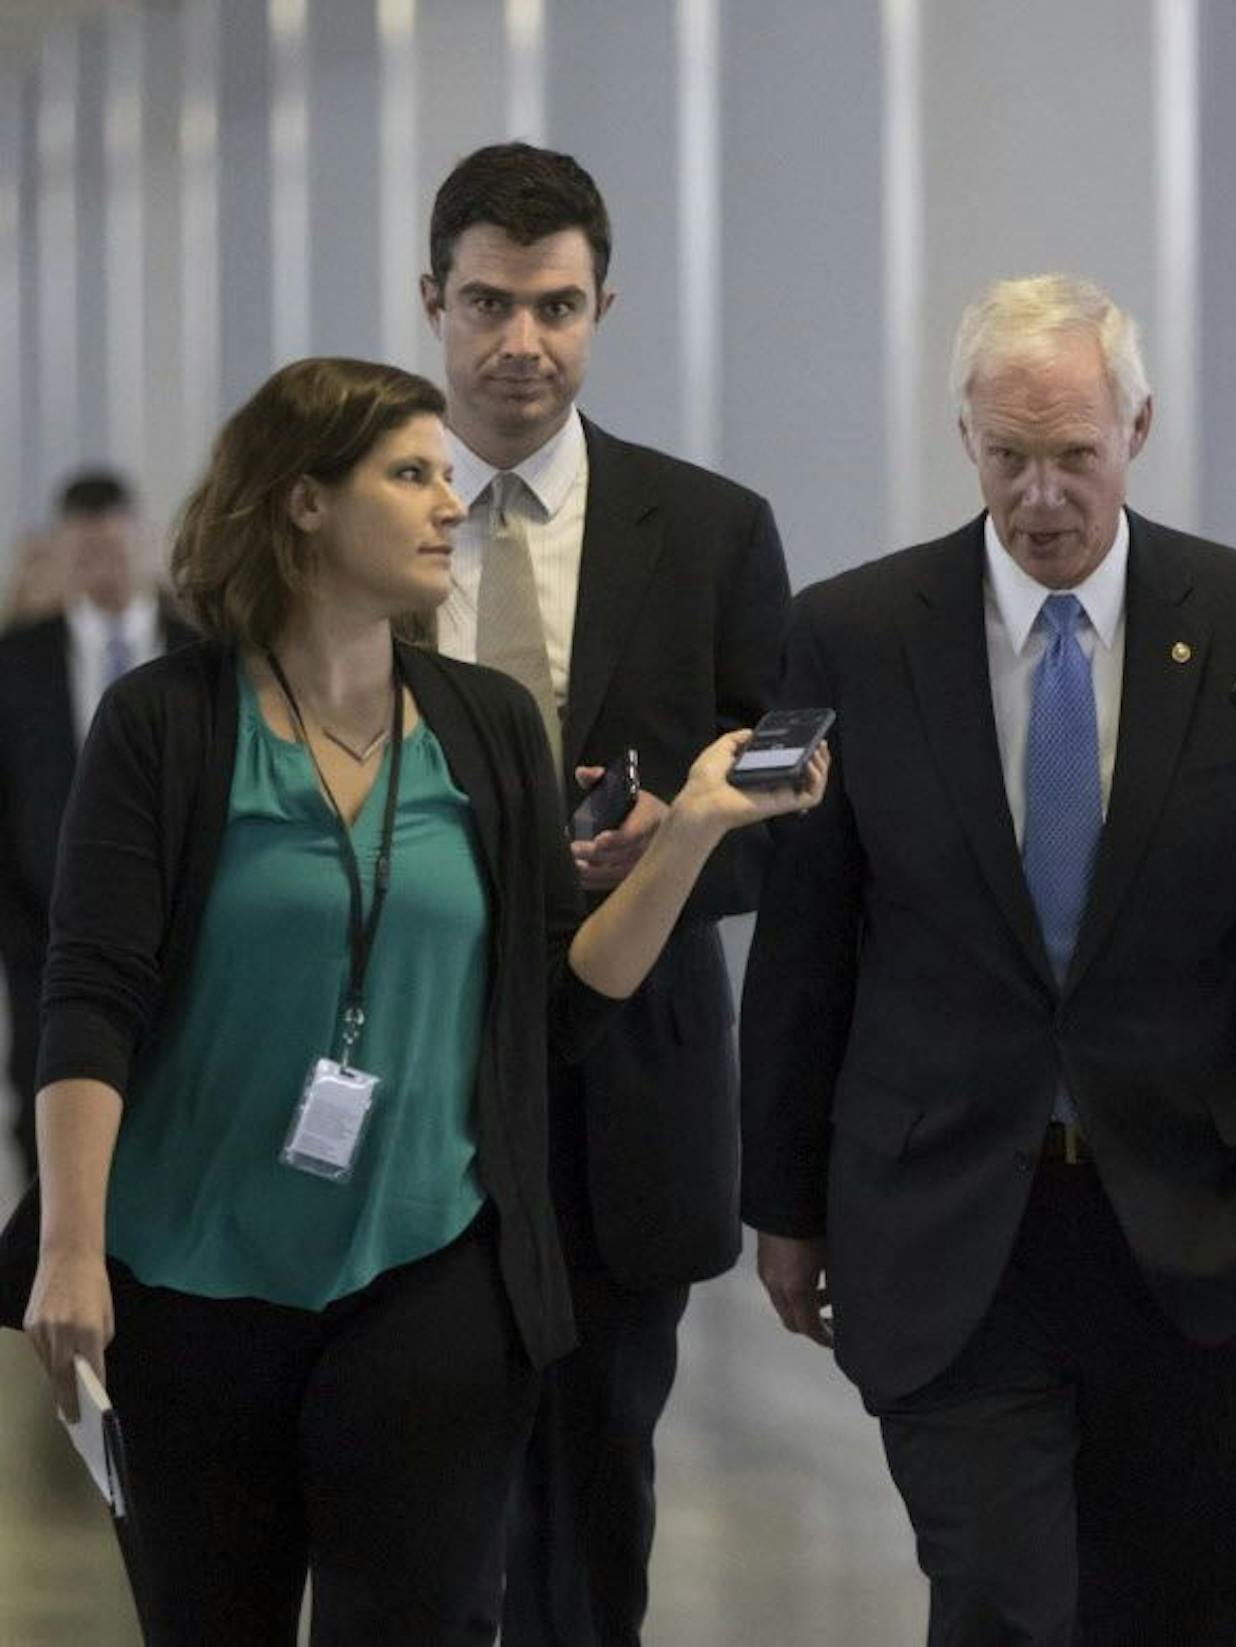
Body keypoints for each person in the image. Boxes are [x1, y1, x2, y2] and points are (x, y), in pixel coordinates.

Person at [0, 358, 825, 1647]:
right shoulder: (165, 724)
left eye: (447, 474)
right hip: (191, 1286)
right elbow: (90, 991)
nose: (452, 504)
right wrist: (69, 1249)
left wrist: (691, 838)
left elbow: (560, 1003)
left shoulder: (484, 726)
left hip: (429, 1270)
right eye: (413, 474)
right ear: (304, 504)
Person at [741, 273, 1236, 1646]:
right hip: (952, 1217)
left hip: (1202, 1223)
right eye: (1009, 455)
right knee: (1009, 1604)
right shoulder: (854, 632)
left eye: (1074, 455)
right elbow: (806, 945)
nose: (1041, 496)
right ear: (961, 436)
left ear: (1136, 428)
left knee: (1164, 1615)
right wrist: (784, 1200)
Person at [416, 142, 793, 1646]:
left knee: (593, 1501)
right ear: (432, 300)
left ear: (603, 305)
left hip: (626, 1097)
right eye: (491, 304)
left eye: (558, 306)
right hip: (407, 1081)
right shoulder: (367, 519)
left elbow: (797, 816)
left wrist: (684, 840)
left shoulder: (706, 533)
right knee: (419, 1491)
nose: (524, 343)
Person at [0, 471, 193, 1181]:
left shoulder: (198, 649)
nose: (102, 566)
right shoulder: (17, 660)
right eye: (85, 552)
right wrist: (20, 934)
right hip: (46, 939)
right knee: (49, 1116)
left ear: (139, 540)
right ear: (63, 553)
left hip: (179, 931)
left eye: (114, 548)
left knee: (171, 1105)